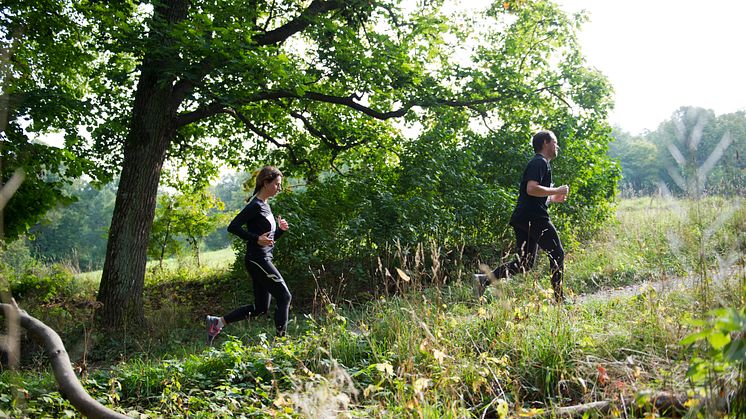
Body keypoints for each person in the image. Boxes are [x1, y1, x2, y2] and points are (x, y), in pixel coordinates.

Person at [474, 130, 570, 303]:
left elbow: (534, 194)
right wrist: (557, 190)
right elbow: (531, 189)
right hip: (534, 218)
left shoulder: (541, 163)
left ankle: (483, 279)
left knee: (524, 264)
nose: (558, 146)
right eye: (555, 142)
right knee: (557, 253)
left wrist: (551, 198)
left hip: (524, 217)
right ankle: (559, 298)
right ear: (545, 143)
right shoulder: (539, 162)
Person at [206, 166, 291, 344]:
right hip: (257, 258)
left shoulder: (266, 206)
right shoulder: (255, 206)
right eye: (277, 184)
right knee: (284, 296)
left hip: (262, 257)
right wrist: (255, 239)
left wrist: (280, 231)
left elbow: (267, 239)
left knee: (261, 308)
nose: (279, 188)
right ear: (265, 183)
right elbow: (233, 226)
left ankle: (218, 322)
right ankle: (281, 343)